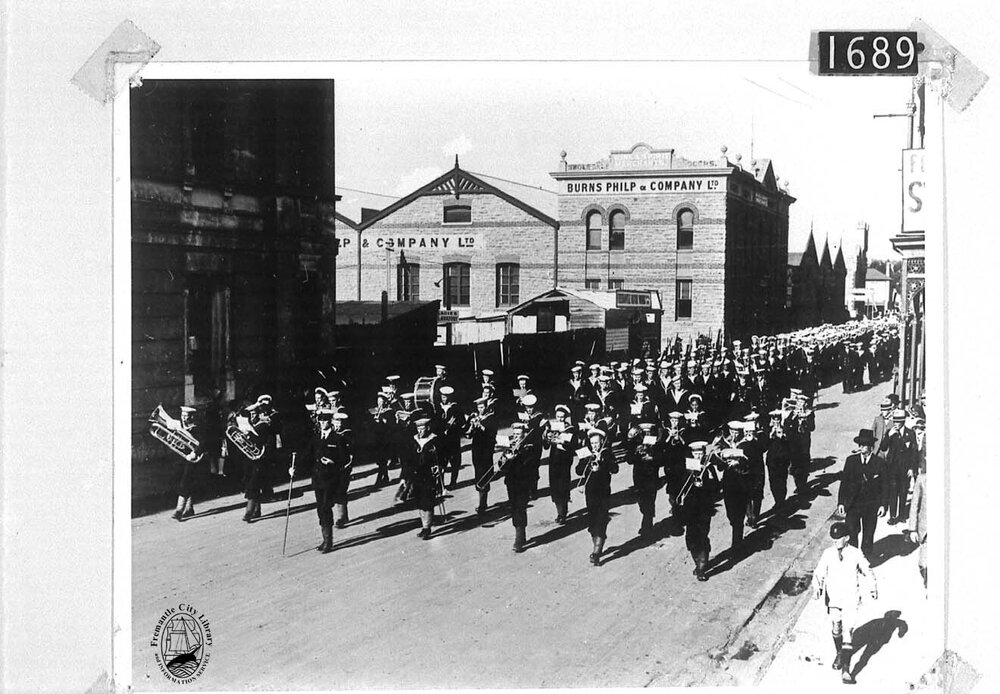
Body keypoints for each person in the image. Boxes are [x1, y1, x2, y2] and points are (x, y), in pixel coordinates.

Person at [811, 521, 878, 684]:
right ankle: (839, 653)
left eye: (838, 539)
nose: (835, 542)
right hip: (833, 597)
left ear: (847, 538)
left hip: (850, 598)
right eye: (833, 539)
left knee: (848, 632)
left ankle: (846, 671)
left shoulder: (855, 553)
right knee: (836, 627)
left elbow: (867, 570)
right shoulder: (828, 553)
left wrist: (873, 588)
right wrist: (817, 587)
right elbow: (819, 572)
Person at [301, 408, 351, 553]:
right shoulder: (316, 438)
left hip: (331, 480)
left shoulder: (337, 438)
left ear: (330, 421)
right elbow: (307, 456)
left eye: (325, 420)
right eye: (321, 420)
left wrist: (333, 462)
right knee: (320, 509)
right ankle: (325, 539)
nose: (323, 423)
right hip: (317, 480)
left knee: (325, 507)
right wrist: (294, 469)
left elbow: (345, 459)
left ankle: (328, 542)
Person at [837, 429, 888, 558]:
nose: (861, 447)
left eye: (864, 445)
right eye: (860, 444)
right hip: (853, 505)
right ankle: (853, 560)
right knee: (851, 533)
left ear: (871, 446)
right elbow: (844, 483)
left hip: (871, 506)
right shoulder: (851, 461)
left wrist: (883, 505)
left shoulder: (879, 463)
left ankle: (865, 560)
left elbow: (885, 486)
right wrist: (841, 503)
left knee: (868, 534)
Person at [677, 440, 720, 581]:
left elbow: (716, 488)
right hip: (690, 509)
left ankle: (702, 567)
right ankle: (698, 562)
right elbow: (680, 485)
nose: (698, 455)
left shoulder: (708, 468)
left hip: (704, 509)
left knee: (702, 535)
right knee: (691, 538)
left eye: (700, 453)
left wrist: (705, 484)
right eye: (695, 453)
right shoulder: (687, 466)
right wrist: (690, 475)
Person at [576, 426, 619, 565]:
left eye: (597, 443)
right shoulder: (586, 453)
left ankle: (596, 552)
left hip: (603, 491)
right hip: (590, 492)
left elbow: (615, 469)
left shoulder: (607, 453)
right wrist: (585, 462)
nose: (595, 445)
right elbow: (578, 471)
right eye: (592, 443)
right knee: (593, 521)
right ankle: (598, 546)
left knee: (601, 519)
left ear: (602, 442)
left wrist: (603, 461)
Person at [404, 417, 442, 540]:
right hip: (416, 475)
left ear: (428, 428)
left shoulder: (434, 440)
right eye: (418, 428)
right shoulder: (414, 440)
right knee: (419, 501)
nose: (420, 430)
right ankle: (424, 525)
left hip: (429, 475)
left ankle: (427, 528)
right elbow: (408, 458)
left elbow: (441, 456)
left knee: (428, 501)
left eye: (423, 428)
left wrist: (439, 466)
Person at [500, 422, 535, 552]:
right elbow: (501, 466)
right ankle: (521, 534)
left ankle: (519, 539)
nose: (516, 437)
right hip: (511, 482)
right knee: (514, 508)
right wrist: (505, 459)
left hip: (523, 483)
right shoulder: (510, 447)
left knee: (520, 508)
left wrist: (515, 458)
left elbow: (527, 465)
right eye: (514, 434)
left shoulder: (528, 448)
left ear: (524, 435)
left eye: (518, 434)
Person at [879, 409, 918, 524]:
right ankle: (892, 515)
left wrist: (912, 468)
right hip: (892, 468)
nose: (896, 424)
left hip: (905, 468)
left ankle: (901, 516)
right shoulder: (890, 432)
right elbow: (883, 447)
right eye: (895, 421)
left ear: (903, 421)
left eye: (899, 421)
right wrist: (888, 436)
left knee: (903, 492)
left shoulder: (910, 433)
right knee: (893, 492)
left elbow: (914, 452)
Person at [626, 421, 662, 537]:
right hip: (639, 475)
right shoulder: (635, 443)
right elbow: (629, 459)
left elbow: (662, 458)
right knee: (641, 500)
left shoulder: (657, 443)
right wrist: (636, 452)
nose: (647, 435)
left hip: (651, 475)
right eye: (644, 432)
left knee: (650, 499)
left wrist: (652, 457)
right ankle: (647, 517)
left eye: (649, 432)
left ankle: (647, 525)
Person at [172, 406, 206, 520]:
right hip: (180, 457)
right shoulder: (180, 427)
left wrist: (195, 453)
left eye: (186, 416)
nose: (183, 418)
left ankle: (179, 510)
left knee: (185, 481)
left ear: (191, 417)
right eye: (182, 416)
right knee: (180, 480)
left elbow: (202, 444)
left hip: (191, 459)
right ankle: (189, 508)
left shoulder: (196, 429)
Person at [545, 404, 578, 524]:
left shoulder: (571, 429)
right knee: (554, 486)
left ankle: (563, 512)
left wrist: (562, 441)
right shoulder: (552, 427)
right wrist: (547, 437)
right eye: (558, 416)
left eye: (562, 417)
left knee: (563, 485)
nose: (560, 419)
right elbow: (546, 445)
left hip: (564, 461)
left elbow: (574, 446)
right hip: (554, 460)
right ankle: (559, 511)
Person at [466, 396, 498, 515]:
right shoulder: (475, 417)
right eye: (479, 407)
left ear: (486, 407)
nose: (480, 409)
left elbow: (491, 433)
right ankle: (482, 501)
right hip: (476, 450)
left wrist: (480, 425)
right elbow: (468, 434)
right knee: (478, 474)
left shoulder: (491, 418)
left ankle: (482, 503)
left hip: (486, 450)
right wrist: (471, 426)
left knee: (484, 474)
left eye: (482, 407)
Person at [436, 386, 466, 489]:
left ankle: (453, 482)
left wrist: (454, 425)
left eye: (445, 397)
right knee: (441, 462)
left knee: (455, 462)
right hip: (441, 440)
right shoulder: (438, 408)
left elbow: (462, 423)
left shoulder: (456, 408)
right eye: (442, 397)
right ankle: (441, 484)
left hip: (453, 439)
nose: (443, 399)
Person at [908, 445, 928, 590]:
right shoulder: (922, 480)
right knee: (923, 563)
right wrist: (912, 529)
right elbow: (914, 506)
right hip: (926, 530)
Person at [765, 409, 794, 508]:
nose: (776, 422)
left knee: (782, 481)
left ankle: (781, 500)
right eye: (774, 420)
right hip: (772, 462)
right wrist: (770, 436)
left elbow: (789, 444)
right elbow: (764, 446)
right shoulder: (768, 430)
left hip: (782, 461)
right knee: (773, 482)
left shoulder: (785, 429)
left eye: (778, 420)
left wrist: (783, 437)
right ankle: (777, 500)